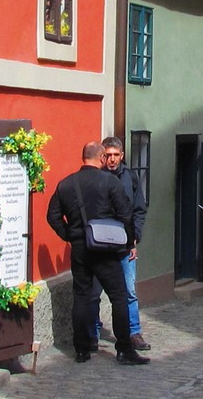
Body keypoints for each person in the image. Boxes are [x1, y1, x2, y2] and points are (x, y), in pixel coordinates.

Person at [46, 141, 149, 365]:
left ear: (83, 157)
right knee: (119, 297)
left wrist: (70, 235)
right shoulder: (110, 182)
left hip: (80, 248)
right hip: (105, 248)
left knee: (81, 297)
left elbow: (52, 216)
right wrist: (129, 242)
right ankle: (124, 349)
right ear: (101, 158)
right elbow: (126, 214)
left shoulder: (66, 184)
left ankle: (81, 349)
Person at [87, 137, 150, 352]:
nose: (112, 159)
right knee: (95, 292)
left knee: (129, 291)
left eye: (116, 155)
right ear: (103, 156)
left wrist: (135, 238)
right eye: (109, 155)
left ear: (122, 155)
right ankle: (93, 333)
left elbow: (139, 209)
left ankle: (134, 332)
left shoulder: (129, 177)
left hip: (124, 246)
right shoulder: (96, 177)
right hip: (99, 246)